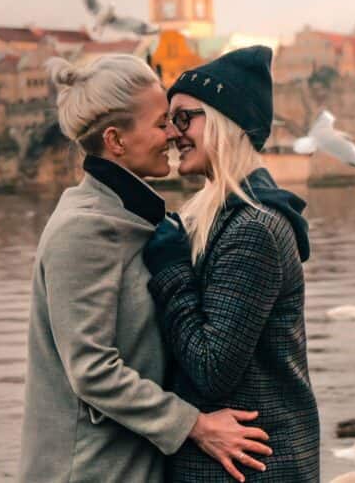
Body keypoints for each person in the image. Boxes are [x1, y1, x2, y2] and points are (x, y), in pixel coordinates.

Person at [18, 54, 271, 483]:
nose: (174, 134)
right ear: (116, 141)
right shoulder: (82, 229)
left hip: (131, 464)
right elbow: (92, 370)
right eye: (161, 124)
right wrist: (197, 426)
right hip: (89, 471)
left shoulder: (138, 218)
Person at [143, 46, 320, 481]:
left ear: (226, 123)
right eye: (169, 120)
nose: (172, 133)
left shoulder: (252, 229)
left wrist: (171, 270)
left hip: (249, 469)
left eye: (184, 117)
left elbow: (210, 369)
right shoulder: (218, 216)